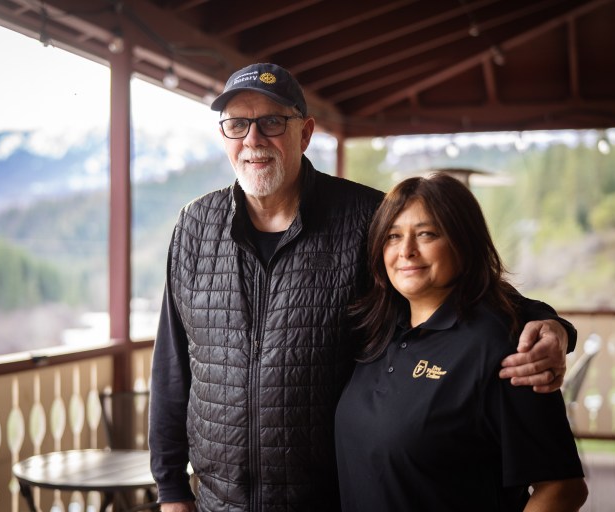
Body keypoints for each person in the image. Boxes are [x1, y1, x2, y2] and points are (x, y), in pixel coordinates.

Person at [149, 63, 576, 512]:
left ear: (305, 132)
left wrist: (550, 325)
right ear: (224, 135)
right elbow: (173, 366)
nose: (253, 139)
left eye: (273, 121)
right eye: (237, 124)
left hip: (329, 499)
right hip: (218, 501)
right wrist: (172, 490)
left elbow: (452, 284)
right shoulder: (196, 226)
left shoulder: (364, 218)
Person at [335, 173, 588, 512]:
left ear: (463, 241)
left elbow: (562, 489)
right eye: (393, 236)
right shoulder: (377, 330)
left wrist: (556, 328)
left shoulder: (505, 348)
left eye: (426, 234)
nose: (406, 251)